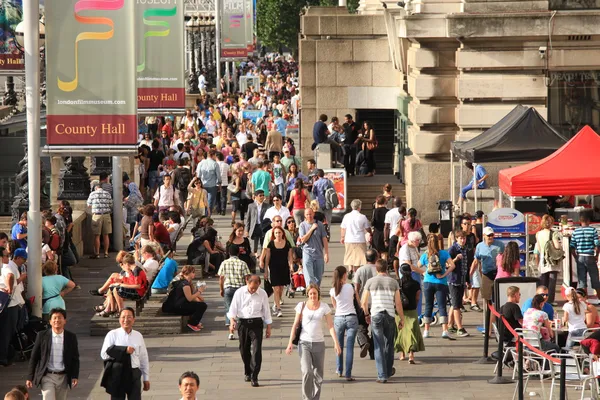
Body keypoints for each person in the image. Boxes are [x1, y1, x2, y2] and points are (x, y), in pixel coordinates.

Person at [285, 284, 341, 399]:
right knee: (307, 371)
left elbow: (330, 326)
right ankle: (307, 398)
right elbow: (295, 325)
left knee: (318, 374)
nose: (312, 296)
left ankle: (315, 398)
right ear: (307, 294)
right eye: (310, 293)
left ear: (318, 294)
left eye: (314, 293)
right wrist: (290, 343)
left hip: (319, 343)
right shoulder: (302, 306)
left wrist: (336, 343)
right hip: (304, 342)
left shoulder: (324, 307)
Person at [360, 260, 405, 383]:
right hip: (390, 314)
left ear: (376, 269)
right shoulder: (393, 282)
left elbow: (363, 302)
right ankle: (388, 370)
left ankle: (382, 375)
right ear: (386, 269)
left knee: (378, 346)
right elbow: (398, 303)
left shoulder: (370, 282)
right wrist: (402, 318)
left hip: (376, 315)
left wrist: (366, 314)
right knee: (389, 344)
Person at [227, 274, 272, 387]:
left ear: (259, 285)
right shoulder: (239, 293)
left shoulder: (262, 294)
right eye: (251, 288)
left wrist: (268, 327)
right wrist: (232, 321)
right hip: (243, 323)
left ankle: (255, 376)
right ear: (247, 282)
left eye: (255, 288)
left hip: (257, 323)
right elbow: (233, 309)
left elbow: (266, 310)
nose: (253, 290)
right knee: (244, 349)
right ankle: (248, 371)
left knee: (257, 350)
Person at [25, 308, 79, 400]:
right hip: (47, 376)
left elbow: (75, 358)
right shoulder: (42, 336)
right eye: (54, 318)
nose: (57, 320)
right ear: (50, 321)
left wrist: (75, 376)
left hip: (63, 377)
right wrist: (30, 377)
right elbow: (34, 357)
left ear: (65, 320)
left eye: (60, 318)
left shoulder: (71, 337)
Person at [100, 307, 151, 399]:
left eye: (129, 317)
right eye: (123, 317)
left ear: (134, 319)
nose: (126, 320)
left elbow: (143, 357)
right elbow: (104, 354)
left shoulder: (138, 335)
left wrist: (146, 378)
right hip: (118, 373)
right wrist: (124, 350)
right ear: (119, 319)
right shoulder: (112, 334)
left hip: (134, 373)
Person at [418, 234, 455, 339]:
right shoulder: (443, 253)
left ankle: (426, 330)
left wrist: (424, 272)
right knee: (442, 306)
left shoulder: (425, 255)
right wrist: (444, 274)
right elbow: (452, 265)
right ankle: (444, 330)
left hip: (427, 282)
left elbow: (418, 265)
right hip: (441, 282)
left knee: (428, 306)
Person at [329, 266, 359, 381]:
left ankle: (339, 369)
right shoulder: (351, 286)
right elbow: (356, 300)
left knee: (339, 345)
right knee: (350, 347)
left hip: (339, 318)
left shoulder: (333, 290)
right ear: (344, 275)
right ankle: (348, 374)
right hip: (352, 317)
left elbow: (335, 306)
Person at [0, 247, 26, 367]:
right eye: (5, 255)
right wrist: (10, 289)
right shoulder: (7, 267)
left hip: (8, 303)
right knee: (7, 331)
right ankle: (3, 357)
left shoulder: (5, 266)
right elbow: (10, 276)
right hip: (10, 304)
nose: (8, 258)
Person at [394, 264, 425, 364]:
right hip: (411, 310)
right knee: (412, 332)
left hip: (400, 311)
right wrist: (415, 305)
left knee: (401, 332)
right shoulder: (415, 284)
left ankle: (402, 353)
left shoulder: (398, 283)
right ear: (411, 271)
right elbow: (417, 297)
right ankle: (411, 355)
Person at [162, 266, 208, 332]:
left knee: (200, 305)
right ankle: (192, 323)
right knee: (202, 306)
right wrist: (200, 291)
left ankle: (195, 322)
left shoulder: (185, 282)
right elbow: (190, 298)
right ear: (188, 273)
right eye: (193, 272)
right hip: (176, 307)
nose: (194, 274)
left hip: (177, 305)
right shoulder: (185, 284)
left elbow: (193, 295)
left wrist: (199, 296)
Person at [471, 227, 504, 314]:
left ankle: (498, 313)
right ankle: (487, 315)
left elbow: (505, 258)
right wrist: (470, 274)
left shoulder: (500, 245)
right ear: (484, 236)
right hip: (486, 273)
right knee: (486, 296)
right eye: (489, 235)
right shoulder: (479, 246)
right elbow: (476, 260)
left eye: (492, 235)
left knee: (498, 295)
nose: (491, 237)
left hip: (498, 273)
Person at [218, 245, 251, 332]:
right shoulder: (242, 263)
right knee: (240, 307)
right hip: (240, 288)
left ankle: (229, 323)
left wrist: (221, 289)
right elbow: (247, 277)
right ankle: (240, 322)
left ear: (229, 253)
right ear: (238, 253)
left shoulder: (224, 263)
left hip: (228, 288)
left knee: (228, 307)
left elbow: (221, 277)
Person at [264, 226, 293, 318]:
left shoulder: (287, 243)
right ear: (273, 234)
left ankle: (276, 304)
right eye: (276, 233)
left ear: (282, 234)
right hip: (274, 268)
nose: (278, 234)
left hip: (284, 268)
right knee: (276, 289)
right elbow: (267, 258)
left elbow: (290, 257)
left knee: (281, 288)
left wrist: (291, 266)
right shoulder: (271, 244)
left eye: (279, 233)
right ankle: (279, 309)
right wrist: (266, 270)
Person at [570, 211, 600, 295]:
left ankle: (584, 299)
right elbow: (597, 244)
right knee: (595, 278)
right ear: (588, 220)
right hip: (590, 256)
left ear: (580, 220)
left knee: (582, 280)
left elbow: (572, 246)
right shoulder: (593, 230)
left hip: (580, 256)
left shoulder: (575, 231)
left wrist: (576, 257)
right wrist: (596, 255)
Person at [446, 231, 470, 337]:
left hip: (461, 279)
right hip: (454, 280)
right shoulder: (453, 249)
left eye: (464, 238)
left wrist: (467, 280)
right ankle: (460, 328)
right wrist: (455, 259)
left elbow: (466, 266)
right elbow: (447, 264)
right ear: (456, 239)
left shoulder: (465, 249)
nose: (463, 240)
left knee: (455, 303)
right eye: (460, 238)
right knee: (456, 306)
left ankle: (450, 325)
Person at [535, 215, 562, 305]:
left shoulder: (538, 234)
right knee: (552, 281)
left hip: (543, 258)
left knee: (544, 280)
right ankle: (550, 300)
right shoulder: (553, 233)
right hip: (552, 259)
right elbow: (557, 246)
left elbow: (538, 248)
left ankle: (542, 299)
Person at [299, 208, 329, 286]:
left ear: (313, 214)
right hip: (307, 253)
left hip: (318, 253)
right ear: (304, 216)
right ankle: (311, 292)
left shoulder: (320, 224)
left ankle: (316, 290)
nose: (309, 216)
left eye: (310, 214)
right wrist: (311, 229)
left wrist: (326, 253)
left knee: (318, 276)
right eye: (307, 214)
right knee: (309, 276)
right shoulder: (302, 225)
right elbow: (303, 240)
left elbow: (324, 238)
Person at [340, 199, 371, 275]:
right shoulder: (362, 217)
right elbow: (367, 228)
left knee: (350, 255)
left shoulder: (346, 216)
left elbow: (343, 228)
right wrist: (370, 232)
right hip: (359, 239)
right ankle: (356, 272)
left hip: (349, 239)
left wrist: (342, 237)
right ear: (359, 207)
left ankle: (350, 269)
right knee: (359, 257)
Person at [86, 181, 113, 259]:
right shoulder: (107, 194)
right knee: (106, 234)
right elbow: (111, 204)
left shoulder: (92, 194)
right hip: (106, 214)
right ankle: (106, 253)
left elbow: (89, 205)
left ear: (95, 187)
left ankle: (97, 253)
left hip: (97, 215)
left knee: (97, 235)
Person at [197, 150, 222, 214]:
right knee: (210, 202)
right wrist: (219, 183)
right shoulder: (215, 164)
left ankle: (203, 215)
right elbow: (218, 176)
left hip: (203, 185)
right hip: (212, 185)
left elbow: (198, 175)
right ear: (213, 155)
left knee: (203, 201)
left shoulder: (201, 163)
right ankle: (207, 216)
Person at [245, 190, 268, 254]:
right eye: (260, 195)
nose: (262, 197)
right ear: (255, 197)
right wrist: (246, 230)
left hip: (263, 227)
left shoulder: (267, 206)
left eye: (263, 195)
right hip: (254, 227)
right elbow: (248, 219)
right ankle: (253, 259)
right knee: (253, 246)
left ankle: (261, 258)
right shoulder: (251, 206)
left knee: (263, 245)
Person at [371, 195, 389, 261]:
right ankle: (384, 266)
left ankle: (378, 268)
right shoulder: (387, 211)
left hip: (376, 233)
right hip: (385, 233)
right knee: (384, 252)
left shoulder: (375, 211)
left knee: (377, 252)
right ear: (385, 202)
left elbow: (372, 223)